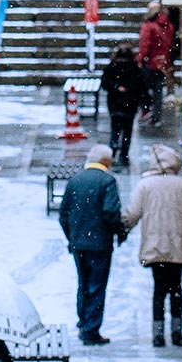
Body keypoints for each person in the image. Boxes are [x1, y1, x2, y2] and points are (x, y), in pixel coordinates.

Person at [125, 144, 182, 347]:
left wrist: (122, 228)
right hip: (178, 245)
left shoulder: (145, 185)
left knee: (159, 288)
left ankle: (158, 334)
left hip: (154, 245)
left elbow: (133, 214)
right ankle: (177, 332)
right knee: (176, 287)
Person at [58, 143, 125, 343]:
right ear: (107, 161)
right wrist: (119, 232)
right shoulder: (107, 181)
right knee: (96, 286)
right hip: (100, 244)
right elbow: (111, 212)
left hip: (79, 244)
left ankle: (82, 322)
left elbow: (63, 214)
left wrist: (72, 237)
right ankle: (91, 329)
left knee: (83, 284)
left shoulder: (75, 180)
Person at [100, 44, 149, 166]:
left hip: (115, 104)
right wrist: (146, 102)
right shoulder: (135, 69)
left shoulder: (111, 68)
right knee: (127, 131)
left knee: (115, 129)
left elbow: (105, 84)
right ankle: (124, 154)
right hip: (130, 105)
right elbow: (142, 87)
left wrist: (116, 87)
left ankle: (113, 147)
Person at [137, 5, 175, 127]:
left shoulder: (149, 26)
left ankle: (146, 110)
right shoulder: (169, 26)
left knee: (142, 88)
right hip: (163, 63)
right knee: (158, 91)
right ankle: (156, 116)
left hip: (150, 63)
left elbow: (145, 45)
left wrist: (140, 59)